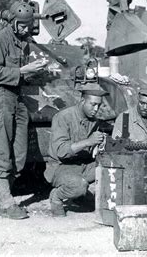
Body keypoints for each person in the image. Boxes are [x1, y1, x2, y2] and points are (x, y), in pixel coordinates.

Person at [0, 1, 48, 219]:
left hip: (17, 98)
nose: (25, 29)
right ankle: (7, 199)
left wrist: (35, 71)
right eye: (21, 25)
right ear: (12, 22)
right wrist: (22, 70)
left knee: (20, 155)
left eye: (28, 25)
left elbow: (20, 74)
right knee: (3, 151)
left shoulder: (24, 42)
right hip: (0, 98)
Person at [45, 81, 108, 217]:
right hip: (61, 167)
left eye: (99, 105)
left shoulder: (94, 120)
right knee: (79, 186)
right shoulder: (63, 117)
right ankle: (56, 196)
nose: (96, 109)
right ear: (82, 101)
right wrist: (88, 142)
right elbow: (61, 152)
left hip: (82, 165)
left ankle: (80, 197)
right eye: (93, 104)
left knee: (108, 170)